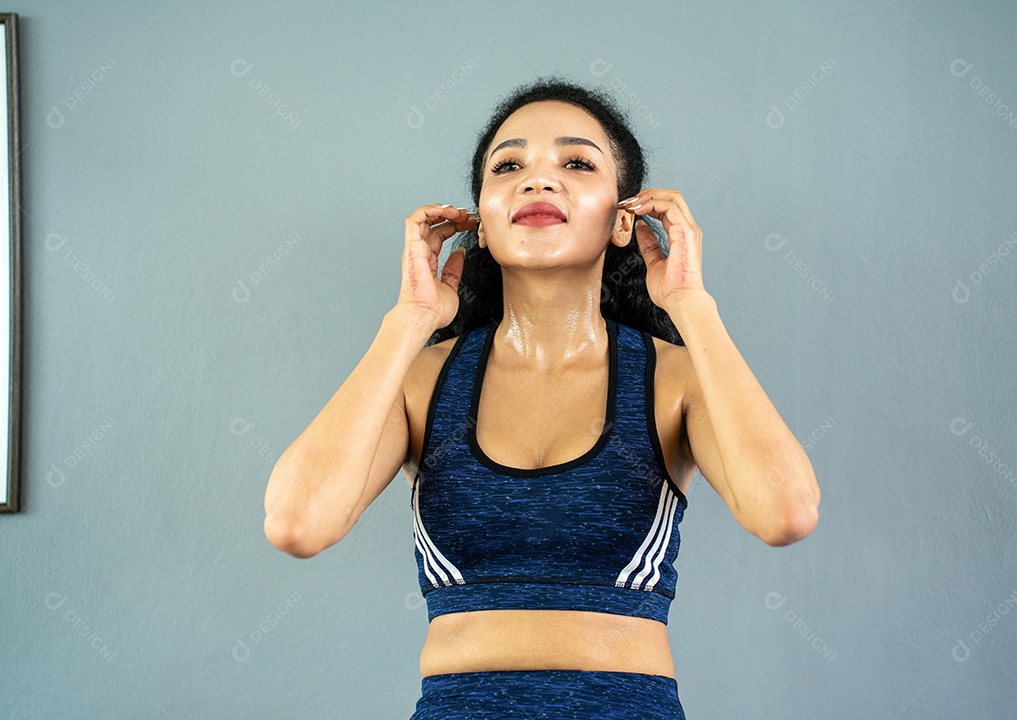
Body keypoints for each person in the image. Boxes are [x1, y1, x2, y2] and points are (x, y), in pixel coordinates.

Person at [263, 75, 821, 720]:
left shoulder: (675, 379)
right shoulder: (423, 379)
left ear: (622, 221)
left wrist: (693, 308)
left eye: (576, 162)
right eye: (510, 166)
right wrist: (408, 321)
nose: (537, 180)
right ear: (479, 220)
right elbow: (297, 523)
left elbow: (786, 512)